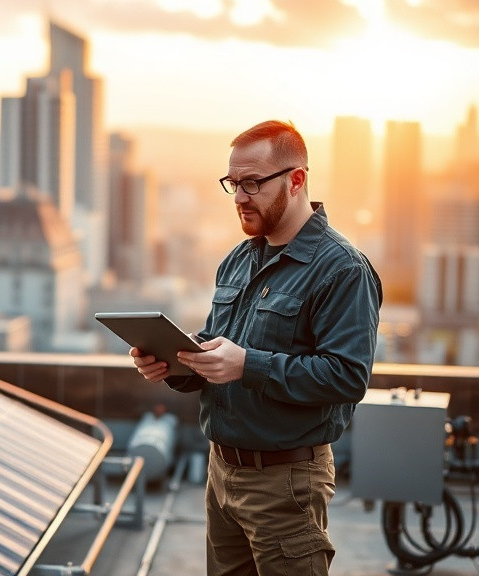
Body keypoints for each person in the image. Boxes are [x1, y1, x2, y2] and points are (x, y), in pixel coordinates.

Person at [130, 120, 382, 575]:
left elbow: (347, 376)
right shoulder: (238, 259)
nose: (240, 197)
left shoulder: (342, 269)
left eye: (252, 183)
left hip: (286, 484)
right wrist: (174, 364)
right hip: (221, 474)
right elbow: (214, 352)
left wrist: (248, 364)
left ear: (297, 179)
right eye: (233, 184)